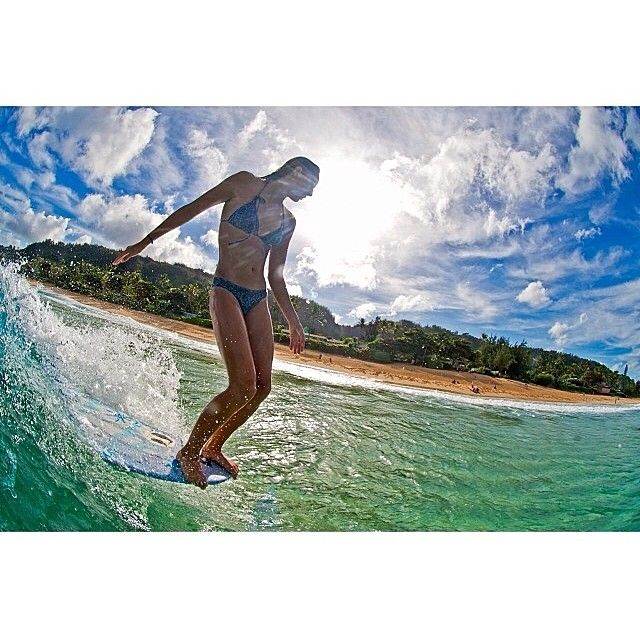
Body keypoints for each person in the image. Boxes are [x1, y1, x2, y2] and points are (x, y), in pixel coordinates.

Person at [112, 157, 320, 488]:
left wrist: (293, 322)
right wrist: (144, 243)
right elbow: (190, 210)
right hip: (226, 290)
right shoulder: (243, 183)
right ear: (296, 172)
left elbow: (276, 275)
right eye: (310, 185)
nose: (309, 194)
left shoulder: (287, 221)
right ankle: (189, 452)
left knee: (262, 387)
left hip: (258, 298)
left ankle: (213, 446)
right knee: (243, 386)